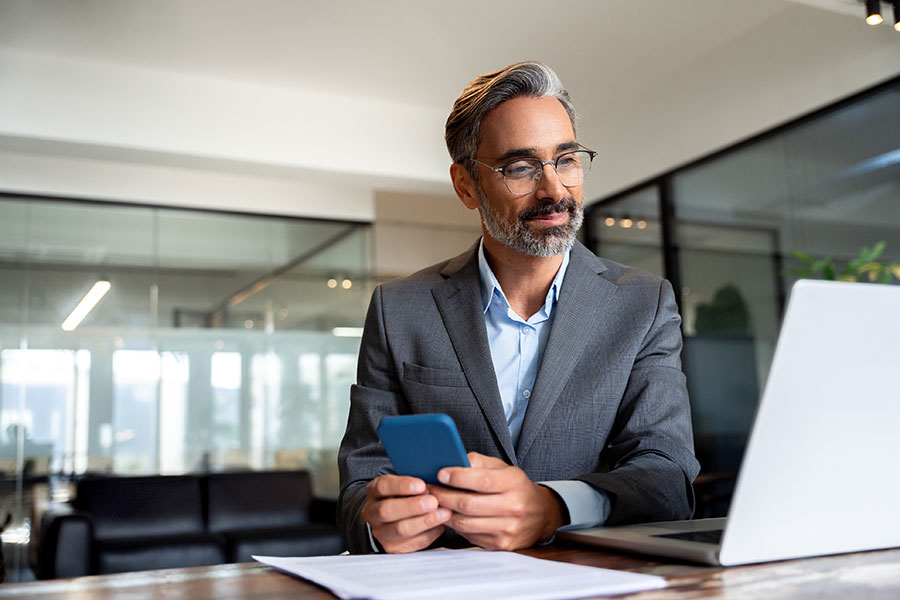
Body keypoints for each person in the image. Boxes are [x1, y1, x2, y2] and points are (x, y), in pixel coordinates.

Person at [337, 61, 699, 554]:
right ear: (466, 185)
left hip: (592, 581)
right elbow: (360, 484)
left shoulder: (645, 304)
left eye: (567, 160)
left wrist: (552, 507)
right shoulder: (399, 309)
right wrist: (378, 525)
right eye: (521, 168)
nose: (554, 190)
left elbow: (666, 478)